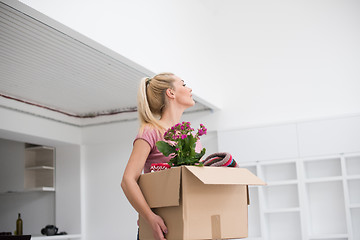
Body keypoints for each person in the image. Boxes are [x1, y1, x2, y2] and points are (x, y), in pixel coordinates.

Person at [121, 72, 197, 240]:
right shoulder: (150, 131)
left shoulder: (190, 136)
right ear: (171, 93)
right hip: (161, 229)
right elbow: (128, 180)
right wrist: (150, 218)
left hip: (188, 224)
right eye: (183, 84)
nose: (190, 89)